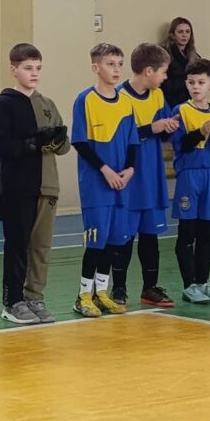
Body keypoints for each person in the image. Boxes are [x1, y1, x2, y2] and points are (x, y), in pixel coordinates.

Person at [0, 44, 68, 325]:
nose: (34, 73)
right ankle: (13, 301)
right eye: (27, 68)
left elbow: (63, 145)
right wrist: (32, 143)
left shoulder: (47, 104)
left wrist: (55, 139)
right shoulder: (4, 104)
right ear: (14, 70)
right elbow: (2, 146)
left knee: (41, 246)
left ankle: (35, 296)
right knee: (17, 245)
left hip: (47, 186)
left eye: (38, 68)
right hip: (19, 186)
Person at [70, 45, 138, 318]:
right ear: (96, 67)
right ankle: (83, 295)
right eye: (110, 63)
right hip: (97, 185)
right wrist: (105, 170)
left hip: (121, 183)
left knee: (114, 241)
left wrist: (130, 169)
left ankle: (102, 292)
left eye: (119, 63)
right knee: (96, 242)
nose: (116, 69)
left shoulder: (126, 103)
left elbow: (133, 141)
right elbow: (80, 142)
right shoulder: (85, 100)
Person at [111, 44, 178, 308]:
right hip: (129, 176)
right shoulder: (118, 97)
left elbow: (164, 128)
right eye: (163, 71)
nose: (165, 77)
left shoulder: (158, 96)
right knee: (124, 236)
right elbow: (117, 137)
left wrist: (170, 126)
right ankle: (118, 288)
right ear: (149, 70)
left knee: (150, 235)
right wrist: (151, 128)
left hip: (151, 175)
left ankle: (150, 287)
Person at [171, 60, 210, 303]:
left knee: (206, 233)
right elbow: (181, 145)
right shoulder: (181, 111)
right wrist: (201, 132)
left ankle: (203, 283)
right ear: (186, 84)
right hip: (189, 175)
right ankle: (189, 285)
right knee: (187, 232)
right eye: (192, 82)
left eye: (201, 82)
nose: (196, 87)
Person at [162, 17, 199, 108]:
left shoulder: (194, 56)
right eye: (180, 32)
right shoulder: (165, 54)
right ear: (172, 34)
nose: (184, 35)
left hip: (190, 102)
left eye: (187, 32)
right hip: (170, 101)